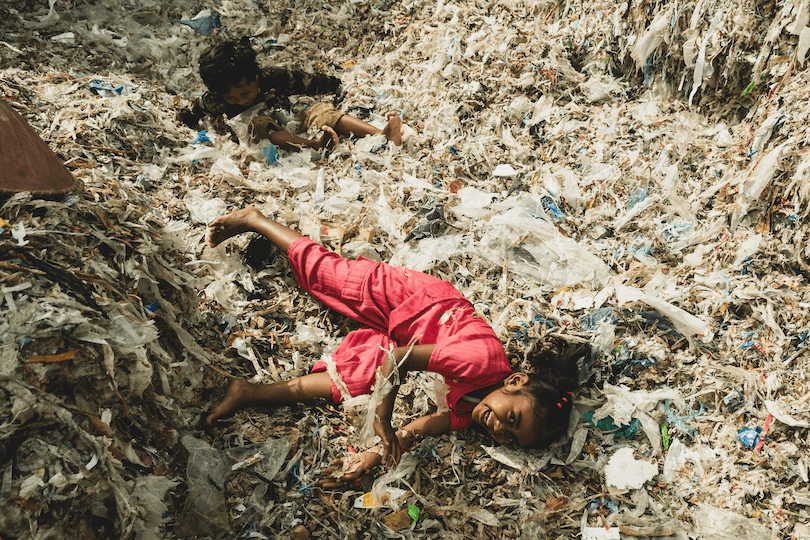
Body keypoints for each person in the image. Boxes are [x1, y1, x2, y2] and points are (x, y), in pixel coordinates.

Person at [204, 207, 589, 488]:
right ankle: (254, 219)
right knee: (324, 277)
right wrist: (382, 419)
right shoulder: (482, 360)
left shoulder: (472, 410)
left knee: (354, 383)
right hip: (415, 299)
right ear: (516, 381)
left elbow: (416, 430)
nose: (500, 429)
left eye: (511, 439)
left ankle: (249, 392)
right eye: (513, 419)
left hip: (405, 335)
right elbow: (399, 361)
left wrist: (376, 453)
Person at [177, 37, 403, 152]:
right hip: (258, 132)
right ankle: (313, 145)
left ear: (255, 77)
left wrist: (333, 85)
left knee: (321, 111)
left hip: (288, 119)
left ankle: (381, 133)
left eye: (245, 93)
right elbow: (192, 110)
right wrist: (183, 121)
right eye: (233, 98)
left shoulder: (271, 77)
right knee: (259, 124)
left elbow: (305, 81)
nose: (242, 100)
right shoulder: (214, 99)